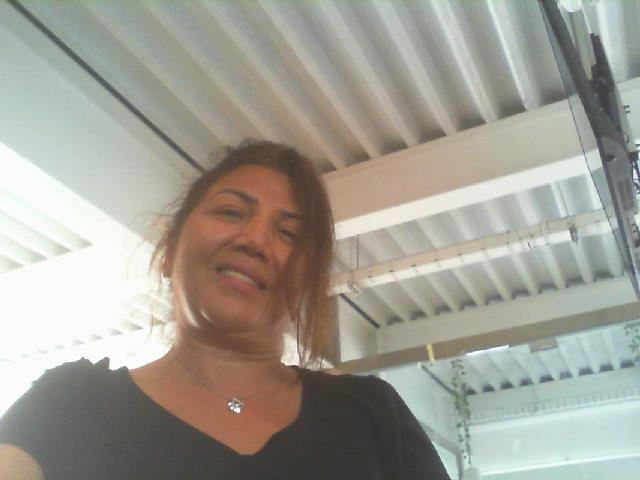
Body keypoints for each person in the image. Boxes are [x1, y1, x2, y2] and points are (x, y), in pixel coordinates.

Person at [0, 140, 450, 479]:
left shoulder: (371, 415)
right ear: (169, 250)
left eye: (289, 235)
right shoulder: (72, 403)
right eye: (232, 212)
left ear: (306, 283)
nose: (254, 241)